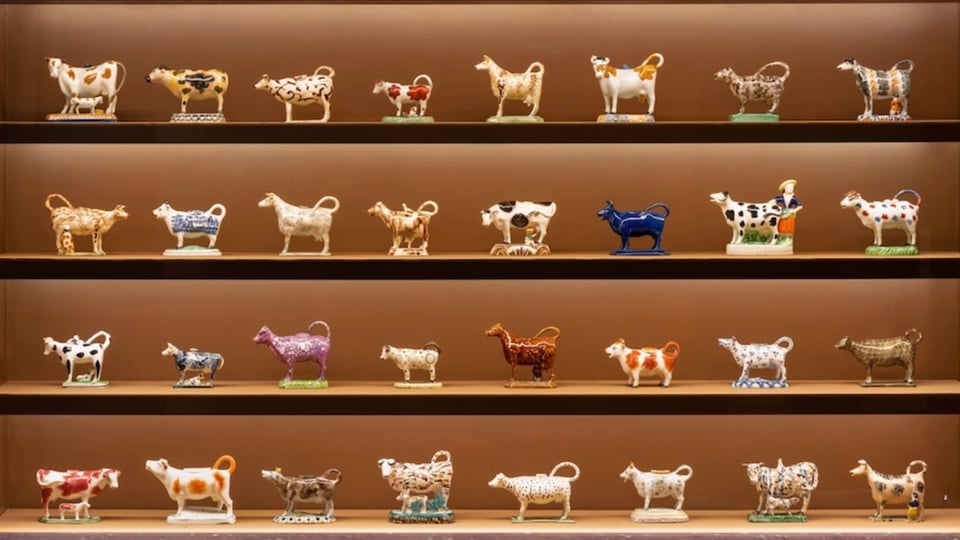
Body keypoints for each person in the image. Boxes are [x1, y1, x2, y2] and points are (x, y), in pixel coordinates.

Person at [772, 179, 802, 244]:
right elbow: (773, 201)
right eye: (789, 187)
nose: (791, 189)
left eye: (792, 187)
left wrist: (794, 210)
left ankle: (788, 238)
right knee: (781, 225)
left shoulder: (794, 198)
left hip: (790, 213)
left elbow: (800, 206)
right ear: (784, 188)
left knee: (789, 226)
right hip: (782, 212)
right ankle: (781, 238)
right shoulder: (781, 197)